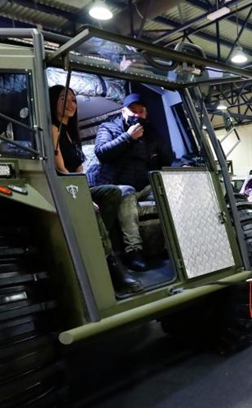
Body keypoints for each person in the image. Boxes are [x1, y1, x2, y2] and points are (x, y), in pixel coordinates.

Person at [48, 86, 142, 294]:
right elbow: (61, 170)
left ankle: (96, 243)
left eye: (73, 100)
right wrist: (84, 198)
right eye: (64, 99)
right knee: (92, 208)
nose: (71, 104)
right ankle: (112, 266)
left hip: (77, 187)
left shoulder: (71, 134)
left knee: (113, 192)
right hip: (63, 189)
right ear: (53, 102)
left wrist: (87, 192)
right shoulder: (53, 129)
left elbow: (79, 170)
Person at [88, 92, 173, 271]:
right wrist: (128, 137)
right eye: (133, 111)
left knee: (168, 189)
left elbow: (166, 160)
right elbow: (101, 152)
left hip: (144, 186)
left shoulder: (150, 133)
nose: (137, 115)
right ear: (123, 112)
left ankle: (172, 247)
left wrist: (158, 140)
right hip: (116, 185)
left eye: (141, 111)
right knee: (127, 191)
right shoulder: (108, 128)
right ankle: (133, 251)